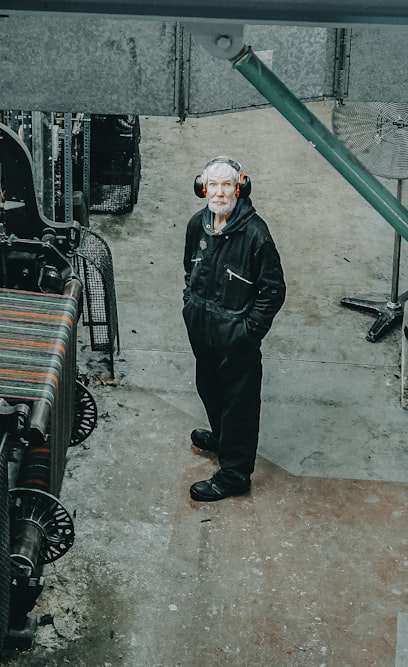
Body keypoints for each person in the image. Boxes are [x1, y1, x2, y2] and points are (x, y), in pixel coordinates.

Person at [182, 156, 286, 502]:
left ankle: (235, 474)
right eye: (213, 185)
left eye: (227, 185)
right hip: (202, 328)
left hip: (236, 337)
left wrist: (248, 331)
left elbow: (273, 291)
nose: (220, 192)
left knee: (239, 406)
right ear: (203, 188)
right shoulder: (197, 225)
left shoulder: (256, 235)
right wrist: (191, 306)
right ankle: (222, 437)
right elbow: (189, 271)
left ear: (240, 187)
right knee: (208, 388)